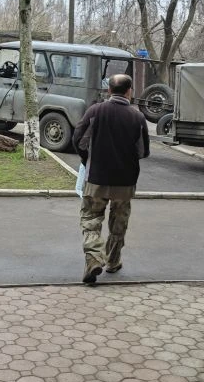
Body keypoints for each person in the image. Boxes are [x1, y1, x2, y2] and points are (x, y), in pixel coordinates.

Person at [72, 73, 150, 284]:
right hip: (125, 182)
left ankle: (94, 259)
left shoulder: (95, 111)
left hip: (96, 179)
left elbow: (78, 140)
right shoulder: (138, 118)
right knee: (119, 222)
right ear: (129, 91)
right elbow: (142, 151)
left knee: (91, 219)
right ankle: (113, 261)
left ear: (109, 90)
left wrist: (87, 159)